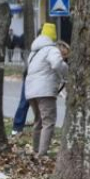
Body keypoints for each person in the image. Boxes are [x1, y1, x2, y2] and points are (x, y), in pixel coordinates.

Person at [25, 23, 68, 157]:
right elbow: (56, 64)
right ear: (53, 36)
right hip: (45, 90)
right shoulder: (51, 49)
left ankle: (36, 150)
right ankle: (42, 153)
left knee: (38, 120)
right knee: (48, 121)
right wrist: (68, 72)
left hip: (31, 91)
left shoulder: (34, 52)